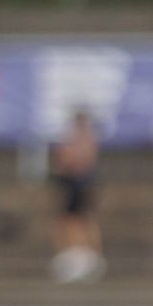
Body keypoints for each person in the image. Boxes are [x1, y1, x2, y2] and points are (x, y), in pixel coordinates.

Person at [49, 110, 104, 283]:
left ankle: (83, 253)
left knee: (77, 220)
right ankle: (79, 253)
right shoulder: (78, 138)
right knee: (72, 220)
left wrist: (67, 162)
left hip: (79, 182)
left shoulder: (84, 139)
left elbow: (77, 161)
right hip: (74, 182)